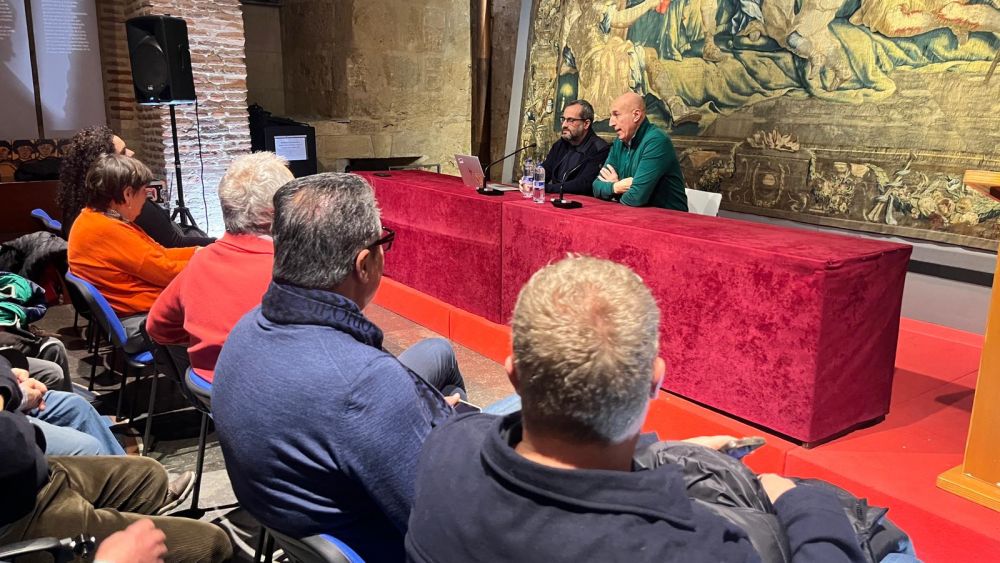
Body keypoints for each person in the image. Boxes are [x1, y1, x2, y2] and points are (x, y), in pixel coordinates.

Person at [405, 256, 866, 562]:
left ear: (514, 374)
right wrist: (798, 497)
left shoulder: (444, 445)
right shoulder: (694, 548)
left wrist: (667, 456)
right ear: (656, 381)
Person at [213, 173, 465, 562]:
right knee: (515, 412)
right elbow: (444, 532)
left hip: (297, 515)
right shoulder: (366, 384)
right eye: (383, 242)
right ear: (364, 263)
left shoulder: (247, 326)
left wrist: (410, 417)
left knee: (437, 351)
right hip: (387, 543)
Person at [0, 355, 232, 563]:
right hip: (18, 514)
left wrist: (6, 384)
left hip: (30, 475)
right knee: (212, 543)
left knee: (149, 475)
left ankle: (129, 524)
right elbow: (13, 444)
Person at [146, 152, 294, 402]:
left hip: (211, 394)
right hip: (271, 403)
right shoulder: (290, 270)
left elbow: (157, 326)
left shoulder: (200, 261)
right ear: (275, 212)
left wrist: (205, 340)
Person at [67, 154, 196, 354]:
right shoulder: (106, 230)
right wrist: (208, 262)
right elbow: (166, 272)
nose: (147, 198)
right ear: (128, 194)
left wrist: (199, 253)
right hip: (143, 322)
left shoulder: (94, 218)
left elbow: (160, 253)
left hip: (135, 315)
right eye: (144, 191)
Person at [56, 126, 214, 247]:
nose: (131, 153)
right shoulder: (126, 206)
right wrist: (218, 244)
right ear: (109, 165)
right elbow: (174, 245)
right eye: (124, 151)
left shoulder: (81, 208)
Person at [593, 92, 688, 211]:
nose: (610, 123)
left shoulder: (656, 141)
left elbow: (635, 198)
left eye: (616, 115)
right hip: (633, 214)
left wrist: (612, 189)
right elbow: (596, 186)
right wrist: (616, 187)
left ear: (636, 115)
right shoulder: (619, 142)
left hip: (669, 218)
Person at [541, 100, 609, 196]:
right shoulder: (560, 145)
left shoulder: (599, 149)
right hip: (554, 198)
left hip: (580, 202)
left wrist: (545, 188)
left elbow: (584, 184)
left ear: (586, 124)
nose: (564, 125)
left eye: (571, 120)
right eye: (563, 119)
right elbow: (546, 169)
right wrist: (531, 180)